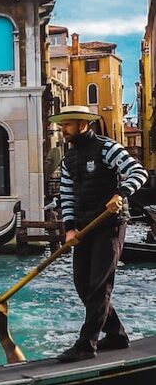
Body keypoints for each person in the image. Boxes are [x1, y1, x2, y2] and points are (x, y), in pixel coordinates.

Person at [51, 105, 148, 363]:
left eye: (68, 125)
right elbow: (68, 197)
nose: (64, 130)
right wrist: (69, 228)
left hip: (109, 225)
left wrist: (121, 194)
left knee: (98, 285)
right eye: (62, 126)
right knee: (83, 284)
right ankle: (116, 335)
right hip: (84, 228)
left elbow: (139, 172)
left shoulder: (107, 148)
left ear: (83, 124)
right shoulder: (68, 159)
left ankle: (86, 343)